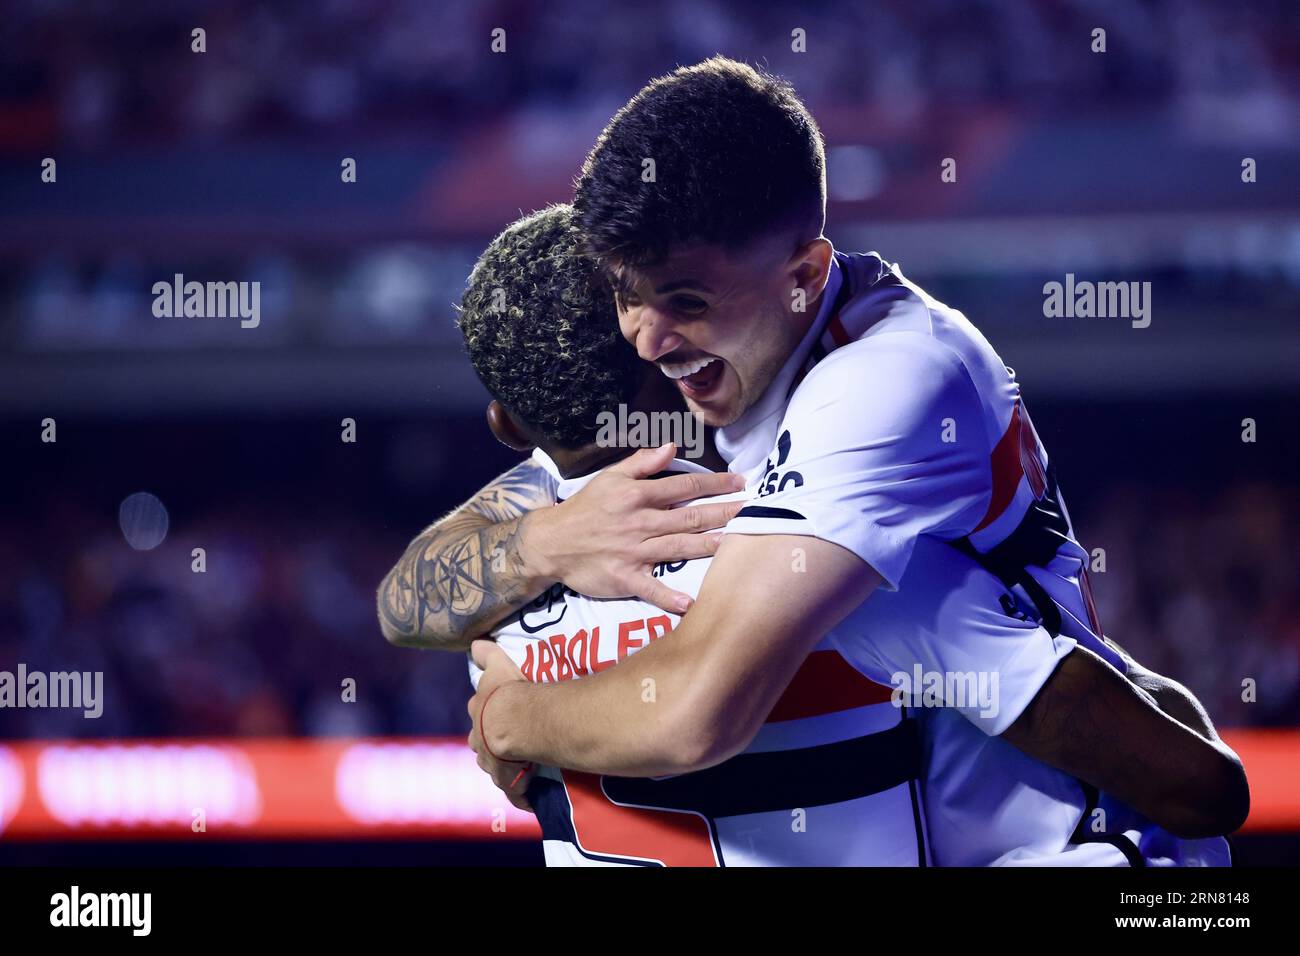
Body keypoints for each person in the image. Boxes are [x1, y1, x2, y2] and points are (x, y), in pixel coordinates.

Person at [419, 204, 1241, 864]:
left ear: (505, 423)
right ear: (669, 356)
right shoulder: (834, 559)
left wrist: (505, 719)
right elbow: (1198, 787)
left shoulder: (489, 624)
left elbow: (419, 598)